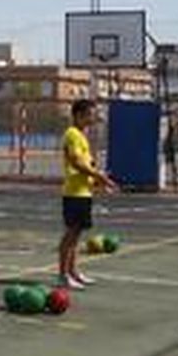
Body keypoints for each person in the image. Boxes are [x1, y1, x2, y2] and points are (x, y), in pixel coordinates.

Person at [58, 98, 118, 290]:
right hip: (74, 193)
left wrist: (98, 181)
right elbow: (76, 163)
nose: (93, 118)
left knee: (76, 236)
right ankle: (63, 274)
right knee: (70, 235)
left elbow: (86, 167)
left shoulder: (82, 136)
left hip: (83, 193)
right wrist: (99, 176)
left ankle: (73, 272)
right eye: (90, 114)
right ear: (79, 115)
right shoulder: (72, 134)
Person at [162, 123, 178, 190]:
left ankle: (172, 183)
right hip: (170, 155)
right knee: (172, 169)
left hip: (169, 155)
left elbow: (165, 147)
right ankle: (173, 183)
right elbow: (172, 147)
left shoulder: (168, 139)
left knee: (170, 169)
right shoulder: (170, 139)